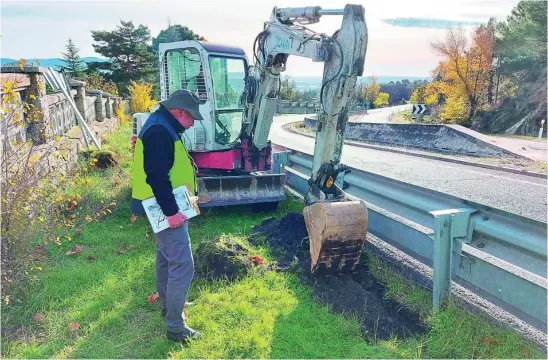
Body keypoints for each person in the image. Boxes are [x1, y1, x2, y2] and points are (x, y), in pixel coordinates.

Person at [130, 89, 203, 342]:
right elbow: (157, 176)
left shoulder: (161, 124)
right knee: (183, 265)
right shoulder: (161, 130)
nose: (193, 123)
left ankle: (168, 305)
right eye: (191, 117)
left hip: (162, 205)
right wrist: (172, 213)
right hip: (165, 207)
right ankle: (175, 326)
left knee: (165, 259)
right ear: (180, 112)